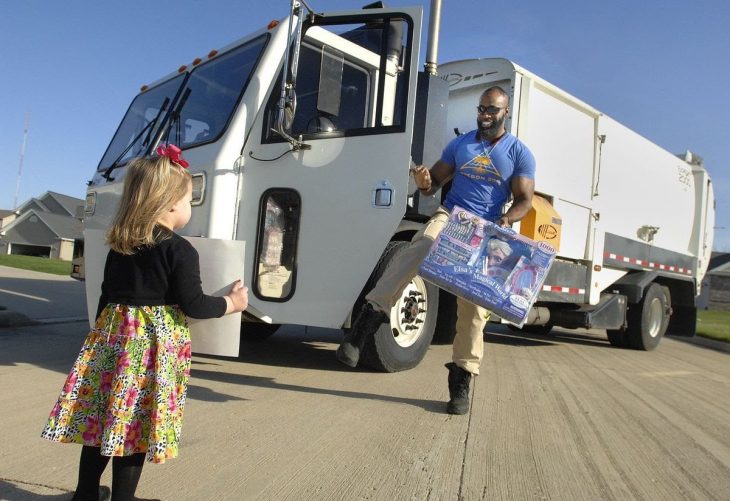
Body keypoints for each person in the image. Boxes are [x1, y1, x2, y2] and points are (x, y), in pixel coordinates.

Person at [41, 144, 249, 501]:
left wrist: (100, 338)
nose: (188, 208)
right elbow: (195, 304)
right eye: (188, 200)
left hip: (111, 343)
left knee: (101, 423)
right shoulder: (180, 250)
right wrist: (232, 302)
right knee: (133, 427)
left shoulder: (119, 246)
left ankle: (85, 494)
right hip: (149, 353)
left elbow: (106, 297)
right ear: (169, 203)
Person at [336, 86, 535, 415]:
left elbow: (525, 200)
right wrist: (424, 179)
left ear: (506, 113)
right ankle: (364, 326)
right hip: (452, 217)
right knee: (421, 246)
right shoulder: (461, 144)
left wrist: (504, 219)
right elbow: (434, 184)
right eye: (481, 109)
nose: (485, 115)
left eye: (492, 110)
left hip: (485, 229)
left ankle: (461, 380)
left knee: (473, 311)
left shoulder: (519, 153)